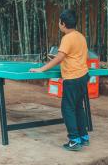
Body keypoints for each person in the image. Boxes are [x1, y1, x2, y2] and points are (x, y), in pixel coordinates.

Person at [30, 9, 89, 151]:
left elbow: (59, 58)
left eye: (59, 22)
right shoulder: (80, 36)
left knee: (67, 108)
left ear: (63, 23)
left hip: (73, 78)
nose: (58, 24)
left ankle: (74, 141)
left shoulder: (67, 38)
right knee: (78, 107)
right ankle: (83, 137)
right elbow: (78, 56)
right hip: (83, 76)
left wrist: (42, 69)